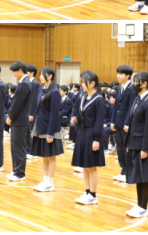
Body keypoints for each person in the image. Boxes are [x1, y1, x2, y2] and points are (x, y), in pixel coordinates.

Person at [123, 71, 148, 220]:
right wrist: (129, 143)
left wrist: (145, 148)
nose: (133, 84)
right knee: (139, 177)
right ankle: (139, 206)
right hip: (134, 144)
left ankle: (144, 207)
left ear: (144, 83)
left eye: (136, 81)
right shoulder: (137, 98)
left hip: (144, 146)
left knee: (145, 178)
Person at [71, 70, 106, 205]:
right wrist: (75, 118)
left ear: (92, 83)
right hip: (82, 132)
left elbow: (99, 121)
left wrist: (97, 139)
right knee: (85, 166)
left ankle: (93, 195)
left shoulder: (99, 100)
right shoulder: (82, 97)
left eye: (84, 82)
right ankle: (87, 192)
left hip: (92, 134)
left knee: (91, 167)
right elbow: (79, 112)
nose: (82, 85)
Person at [31, 66, 63, 191]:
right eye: (39, 74)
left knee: (51, 156)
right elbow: (37, 110)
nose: (40, 77)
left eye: (42, 74)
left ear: (50, 76)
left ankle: (50, 182)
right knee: (45, 156)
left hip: (50, 129)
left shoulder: (54, 92)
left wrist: (50, 133)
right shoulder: (41, 89)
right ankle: (45, 180)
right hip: (41, 127)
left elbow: (54, 114)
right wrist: (34, 129)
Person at [6, 61, 33, 182]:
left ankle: (20, 173)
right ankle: (16, 170)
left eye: (15, 72)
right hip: (18, 120)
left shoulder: (25, 84)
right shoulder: (23, 83)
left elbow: (18, 104)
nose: (14, 74)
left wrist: (10, 117)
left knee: (19, 147)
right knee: (14, 146)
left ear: (20, 70)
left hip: (20, 120)